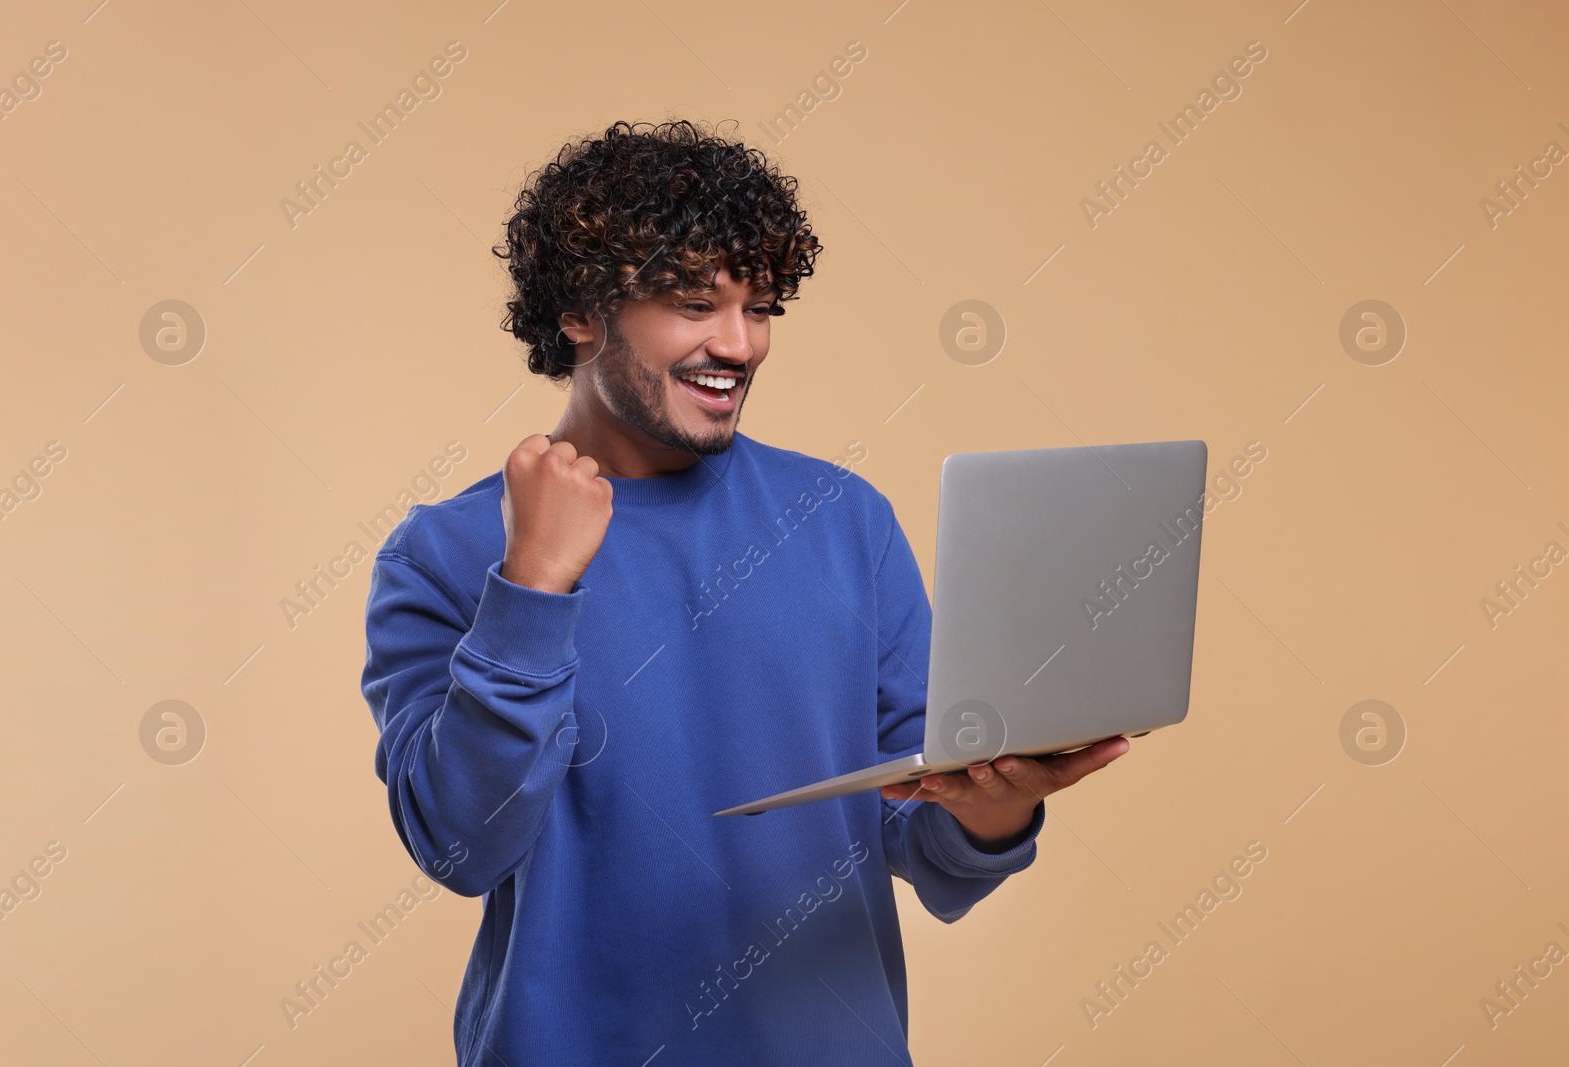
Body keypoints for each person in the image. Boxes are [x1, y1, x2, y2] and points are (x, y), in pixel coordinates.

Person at [360, 118, 1128, 1066]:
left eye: (761, 307)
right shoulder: (444, 552)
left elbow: (933, 849)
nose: (740, 344)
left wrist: (1000, 803)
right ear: (581, 311)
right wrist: (533, 585)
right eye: (694, 303)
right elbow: (459, 844)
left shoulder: (844, 519)